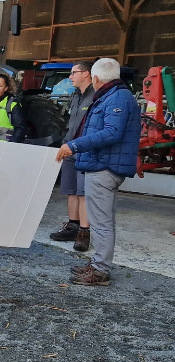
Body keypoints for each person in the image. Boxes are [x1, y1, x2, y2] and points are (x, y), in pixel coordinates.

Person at [57, 58, 140, 286]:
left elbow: (112, 132)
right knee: (103, 220)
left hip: (103, 166)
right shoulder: (114, 96)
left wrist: (74, 145)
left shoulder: (116, 98)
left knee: (101, 222)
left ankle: (100, 269)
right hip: (102, 163)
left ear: (94, 78)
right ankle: (97, 264)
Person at [50, 61, 96, 252]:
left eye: (73, 73)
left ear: (86, 74)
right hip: (70, 148)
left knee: (83, 192)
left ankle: (84, 232)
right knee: (71, 189)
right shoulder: (76, 96)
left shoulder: (96, 96)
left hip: (85, 149)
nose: (70, 77)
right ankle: (73, 225)